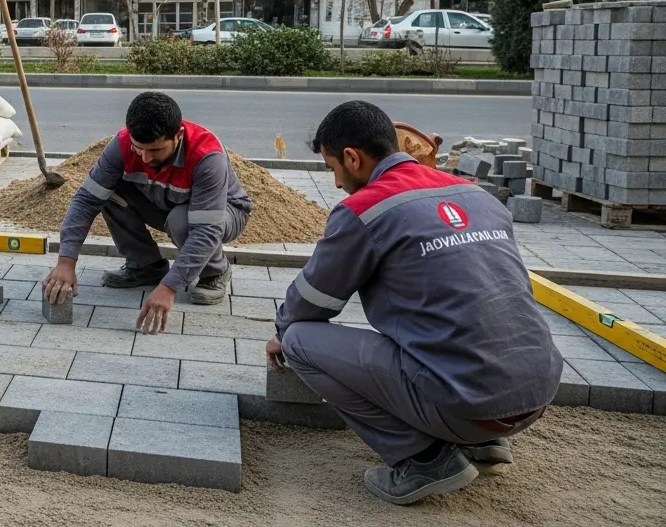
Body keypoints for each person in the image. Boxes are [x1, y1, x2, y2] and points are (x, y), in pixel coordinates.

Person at [266, 100, 562, 505]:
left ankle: (423, 459)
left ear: (352, 158)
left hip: (469, 405)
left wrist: (280, 331)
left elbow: (313, 299)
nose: (335, 182)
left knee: (300, 339)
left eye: (333, 168)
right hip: (537, 391)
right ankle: (484, 443)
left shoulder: (364, 209)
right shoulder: (476, 194)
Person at [42, 92, 253, 334]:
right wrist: (66, 261)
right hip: (165, 200)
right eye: (138, 148)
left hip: (224, 213)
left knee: (182, 221)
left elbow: (206, 230)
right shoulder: (121, 145)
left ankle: (215, 271)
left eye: (155, 150)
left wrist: (169, 288)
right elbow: (86, 200)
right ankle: (146, 266)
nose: (144, 157)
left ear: (178, 135)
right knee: (107, 193)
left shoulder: (206, 156)